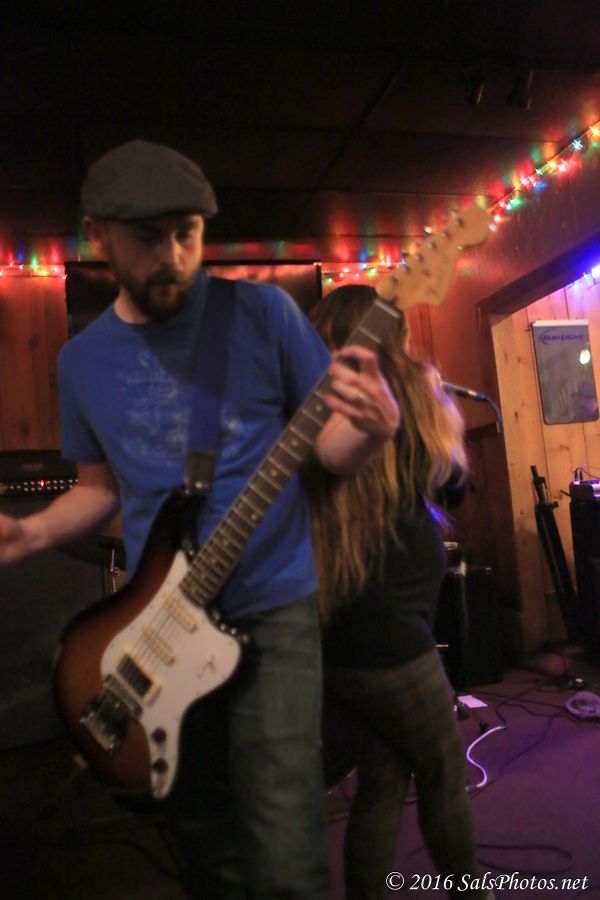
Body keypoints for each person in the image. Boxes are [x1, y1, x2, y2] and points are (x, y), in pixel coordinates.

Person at [0, 141, 400, 899]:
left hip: (274, 611)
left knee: (286, 851)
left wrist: (373, 431)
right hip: (159, 619)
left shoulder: (262, 314)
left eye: (187, 233)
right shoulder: (81, 362)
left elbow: (329, 448)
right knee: (204, 845)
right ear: (99, 235)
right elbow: (98, 487)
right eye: (149, 238)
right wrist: (31, 531)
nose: (174, 256)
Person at [304, 283, 491, 900]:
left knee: (383, 779)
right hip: (389, 639)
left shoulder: (309, 409)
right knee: (443, 770)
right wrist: (438, 401)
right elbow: (454, 483)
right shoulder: (407, 391)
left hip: (338, 630)